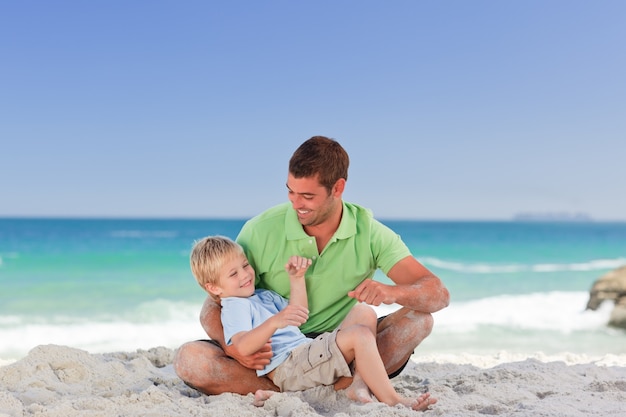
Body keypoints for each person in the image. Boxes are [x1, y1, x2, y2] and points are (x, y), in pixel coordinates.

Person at [174, 135, 449, 402]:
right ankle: (326, 389)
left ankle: (351, 385)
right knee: (191, 360)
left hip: (337, 342)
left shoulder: (371, 234)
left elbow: (437, 294)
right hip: (275, 354)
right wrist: (234, 350)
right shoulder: (259, 230)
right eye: (290, 192)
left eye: (307, 196)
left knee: (418, 320)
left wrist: (391, 292)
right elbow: (216, 303)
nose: (296, 204)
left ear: (337, 188)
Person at [189, 235, 435, 411]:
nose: (245, 275)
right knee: (360, 335)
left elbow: (299, 313)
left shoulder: (261, 296)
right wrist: (274, 322)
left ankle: (358, 386)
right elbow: (241, 346)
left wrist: (297, 280)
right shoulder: (235, 305)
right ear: (214, 287)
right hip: (290, 366)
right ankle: (392, 400)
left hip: (305, 352)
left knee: (363, 312)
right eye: (233, 274)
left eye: (245, 266)